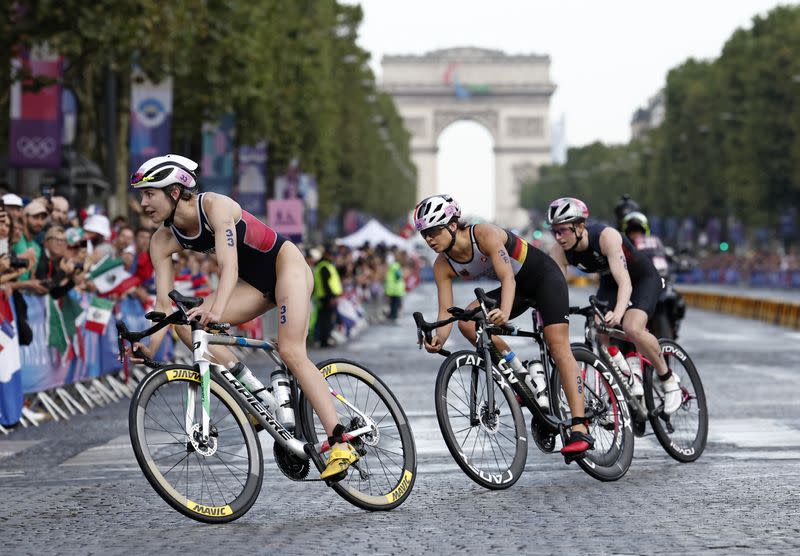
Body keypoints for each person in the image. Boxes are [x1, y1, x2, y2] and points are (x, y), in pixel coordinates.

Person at [127, 154, 358, 480]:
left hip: (285, 266)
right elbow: (163, 305)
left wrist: (217, 310)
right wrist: (149, 347)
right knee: (182, 320)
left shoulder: (217, 206)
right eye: (142, 195)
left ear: (176, 191)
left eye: (150, 193)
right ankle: (258, 396)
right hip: (254, 287)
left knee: (291, 352)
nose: (143, 203)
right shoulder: (161, 240)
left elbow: (229, 266)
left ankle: (340, 441)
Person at [415, 194, 593, 456]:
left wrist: (504, 312)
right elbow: (445, 309)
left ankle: (581, 428)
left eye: (433, 231)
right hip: (517, 289)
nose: (429, 239)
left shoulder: (484, 234)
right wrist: (439, 338)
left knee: (557, 345)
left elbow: (507, 276)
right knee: (467, 321)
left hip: (544, 279)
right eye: (424, 234)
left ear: (453, 225)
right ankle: (520, 374)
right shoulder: (442, 264)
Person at [546, 197, 682, 413]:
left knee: (631, 326)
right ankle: (627, 372)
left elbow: (625, 282)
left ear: (580, 226)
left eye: (563, 230)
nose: (558, 237)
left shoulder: (606, 236)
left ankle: (668, 379)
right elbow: (557, 291)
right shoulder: (558, 252)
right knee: (599, 328)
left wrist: (619, 312)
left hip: (641, 279)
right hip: (609, 283)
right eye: (554, 231)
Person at [312, 243, 343, 347]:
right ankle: (324, 340)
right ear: (326, 254)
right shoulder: (324, 267)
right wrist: (331, 297)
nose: (333, 256)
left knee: (326, 319)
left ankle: (325, 339)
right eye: (331, 254)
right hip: (326, 297)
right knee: (326, 320)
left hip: (327, 296)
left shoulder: (326, 265)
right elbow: (326, 284)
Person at [384, 248, 406, 323]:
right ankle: (394, 317)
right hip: (396, 289)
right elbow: (398, 276)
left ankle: (392, 316)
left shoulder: (391, 266)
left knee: (392, 303)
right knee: (395, 304)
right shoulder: (396, 266)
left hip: (392, 288)